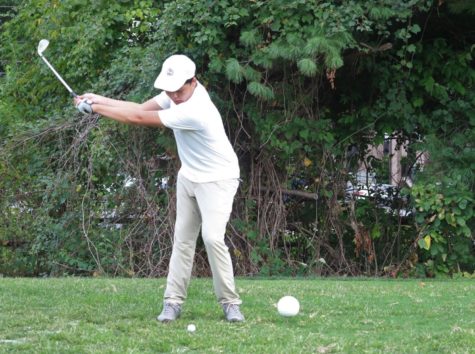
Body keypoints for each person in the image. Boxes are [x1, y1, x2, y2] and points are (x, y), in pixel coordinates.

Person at [74, 54, 244, 322]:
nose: (174, 95)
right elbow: (140, 107)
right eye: (170, 90)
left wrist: (94, 109)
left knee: (212, 238)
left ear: (193, 82)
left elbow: (138, 119)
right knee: (182, 239)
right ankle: (172, 303)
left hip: (218, 179)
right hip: (189, 176)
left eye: (179, 90)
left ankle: (231, 304)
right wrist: (97, 98)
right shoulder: (177, 93)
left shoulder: (195, 110)